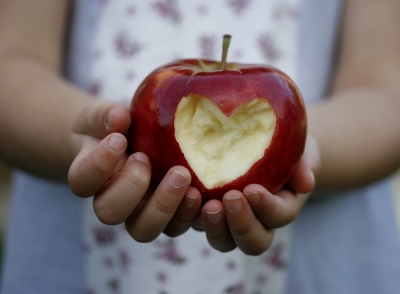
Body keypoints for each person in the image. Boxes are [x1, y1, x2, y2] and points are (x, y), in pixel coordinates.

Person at [0, 0, 399, 293]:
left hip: (320, 267)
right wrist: (83, 139)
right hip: (72, 257)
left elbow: (387, 96)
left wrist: (304, 151)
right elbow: (10, 64)